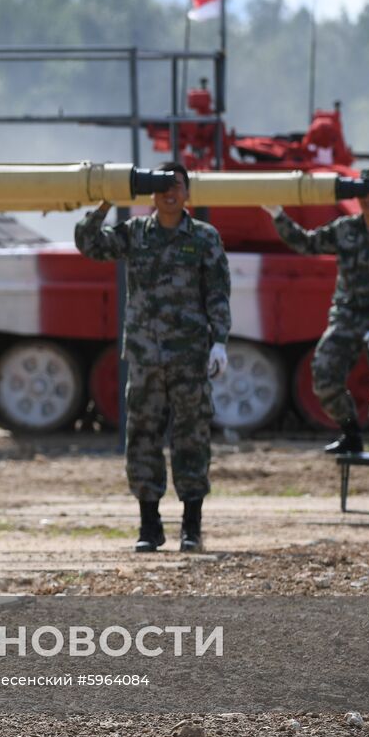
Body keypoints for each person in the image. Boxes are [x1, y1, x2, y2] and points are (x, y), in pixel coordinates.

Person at [74, 162, 231, 553]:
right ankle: (150, 525)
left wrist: (220, 341)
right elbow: (88, 243)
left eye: (177, 185)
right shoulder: (135, 234)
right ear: (151, 194)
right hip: (145, 355)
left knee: (191, 437)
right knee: (142, 436)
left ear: (188, 193)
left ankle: (191, 526)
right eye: (161, 186)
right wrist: (107, 199)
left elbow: (217, 293)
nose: (169, 192)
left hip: (189, 355)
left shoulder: (204, 238)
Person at [265, 167, 369, 458]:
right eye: (363, 191)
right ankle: (350, 433)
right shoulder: (345, 229)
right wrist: (278, 216)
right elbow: (308, 244)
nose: (368, 198)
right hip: (346, 316)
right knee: (324, 374)